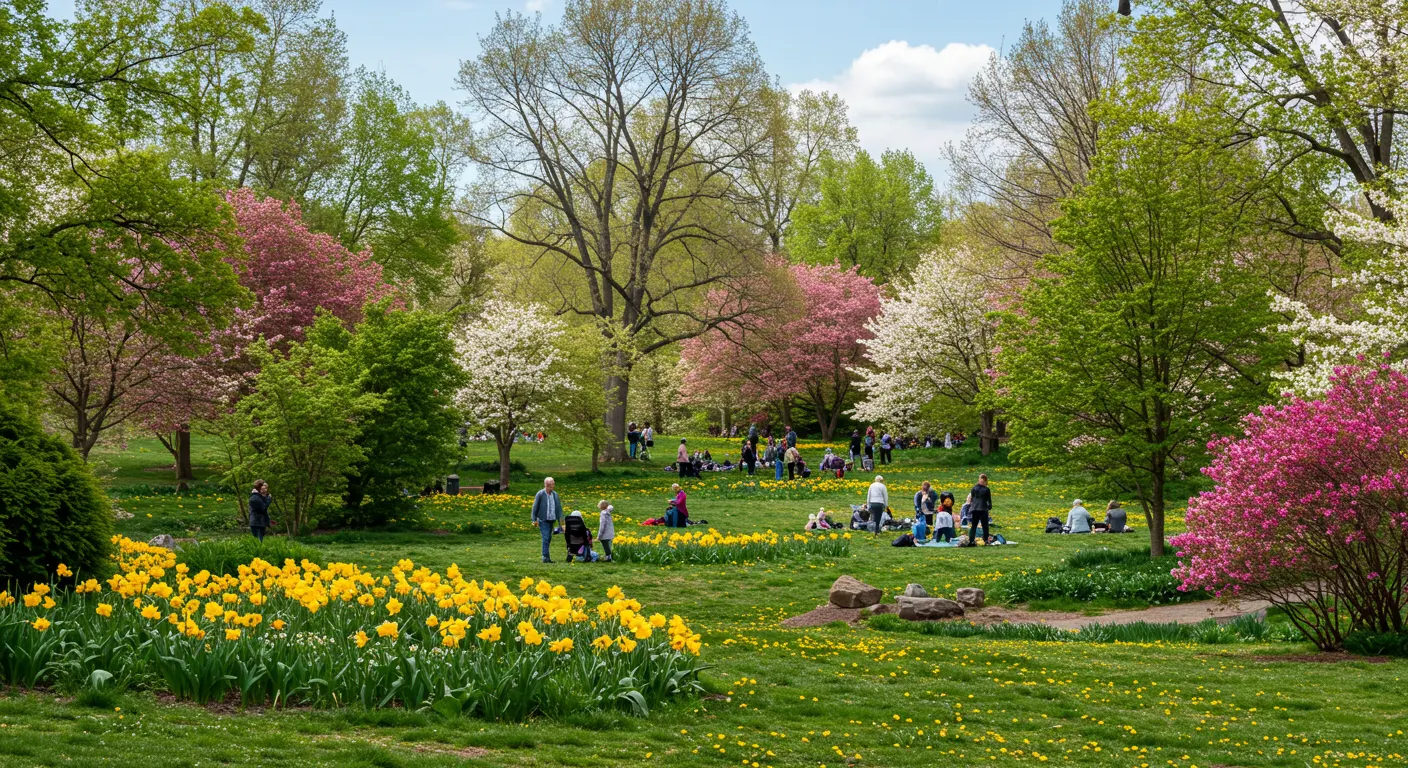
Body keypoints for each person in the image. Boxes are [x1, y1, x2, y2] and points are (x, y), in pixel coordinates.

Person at [532, 477, 562, 563]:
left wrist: (561, 523)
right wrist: (534, 519)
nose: (550, 486)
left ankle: (546, 556)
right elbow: (535, 507)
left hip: (552, 519)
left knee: (548, 538)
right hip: (543, 519)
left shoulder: (555, 494)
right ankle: (545, 557)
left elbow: (558, 508)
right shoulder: (540, 494)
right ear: (545, 485)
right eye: (549, 485)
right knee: (545, 537)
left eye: (552, 484)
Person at [967, 473, 992, 545]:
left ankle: (971, 540)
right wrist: (989, 507)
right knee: (985, 526)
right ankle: (986, 540)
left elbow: (971, 499)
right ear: (985, 481)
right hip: (983, 509)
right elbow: (989, 502)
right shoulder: (986, 490)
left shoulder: (974, 488)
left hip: (974, 509)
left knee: (974, 525)